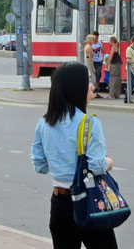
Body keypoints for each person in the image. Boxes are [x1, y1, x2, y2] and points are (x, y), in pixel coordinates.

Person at [30, 62, 118, 249]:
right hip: (89, 202)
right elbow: (95, 166)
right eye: (87, 81)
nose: (92, 86)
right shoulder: (89, 123)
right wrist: (109, 162)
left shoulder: (44, 123)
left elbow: (40, 165)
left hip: (60, 204)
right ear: (75, 87)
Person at [92, 31, 104, 98]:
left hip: (99, 61)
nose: (96, 39)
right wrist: (94, 49)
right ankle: (92, 91)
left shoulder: (100, 42)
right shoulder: (90, 42)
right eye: (95, 38)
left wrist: (102, 57)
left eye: (97, 38)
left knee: (98, 75)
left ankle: (96, 92)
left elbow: (103, 50)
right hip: (93, 61)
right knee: (92, 76)